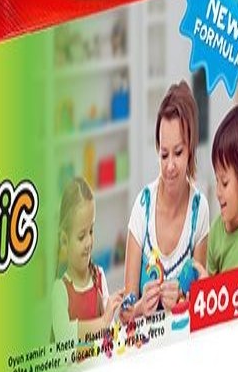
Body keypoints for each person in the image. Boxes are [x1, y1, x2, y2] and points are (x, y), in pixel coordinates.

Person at [123, 81, 209, 318]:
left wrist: (182, 298)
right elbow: (124, 313)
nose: (170, 166)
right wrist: (140, 307)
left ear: (190, 148)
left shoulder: (199, 209)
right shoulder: (143, 206)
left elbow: (199, 302)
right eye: (164, 154)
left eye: (178, 152)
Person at [52, 177, 123, 345]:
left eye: (91, 231)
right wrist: (103, 322)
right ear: (64, 241)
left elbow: (110, 333)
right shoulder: (60, 291)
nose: (89, 242)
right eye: (81, 236)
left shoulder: (99, 277)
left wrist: (120, 315)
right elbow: (64, 335)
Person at [207, 105, 238, 300]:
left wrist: (216, 288)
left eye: (225, 182)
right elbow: (207, 298)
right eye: (216, 181)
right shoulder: (215, 234)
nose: (218, 192)